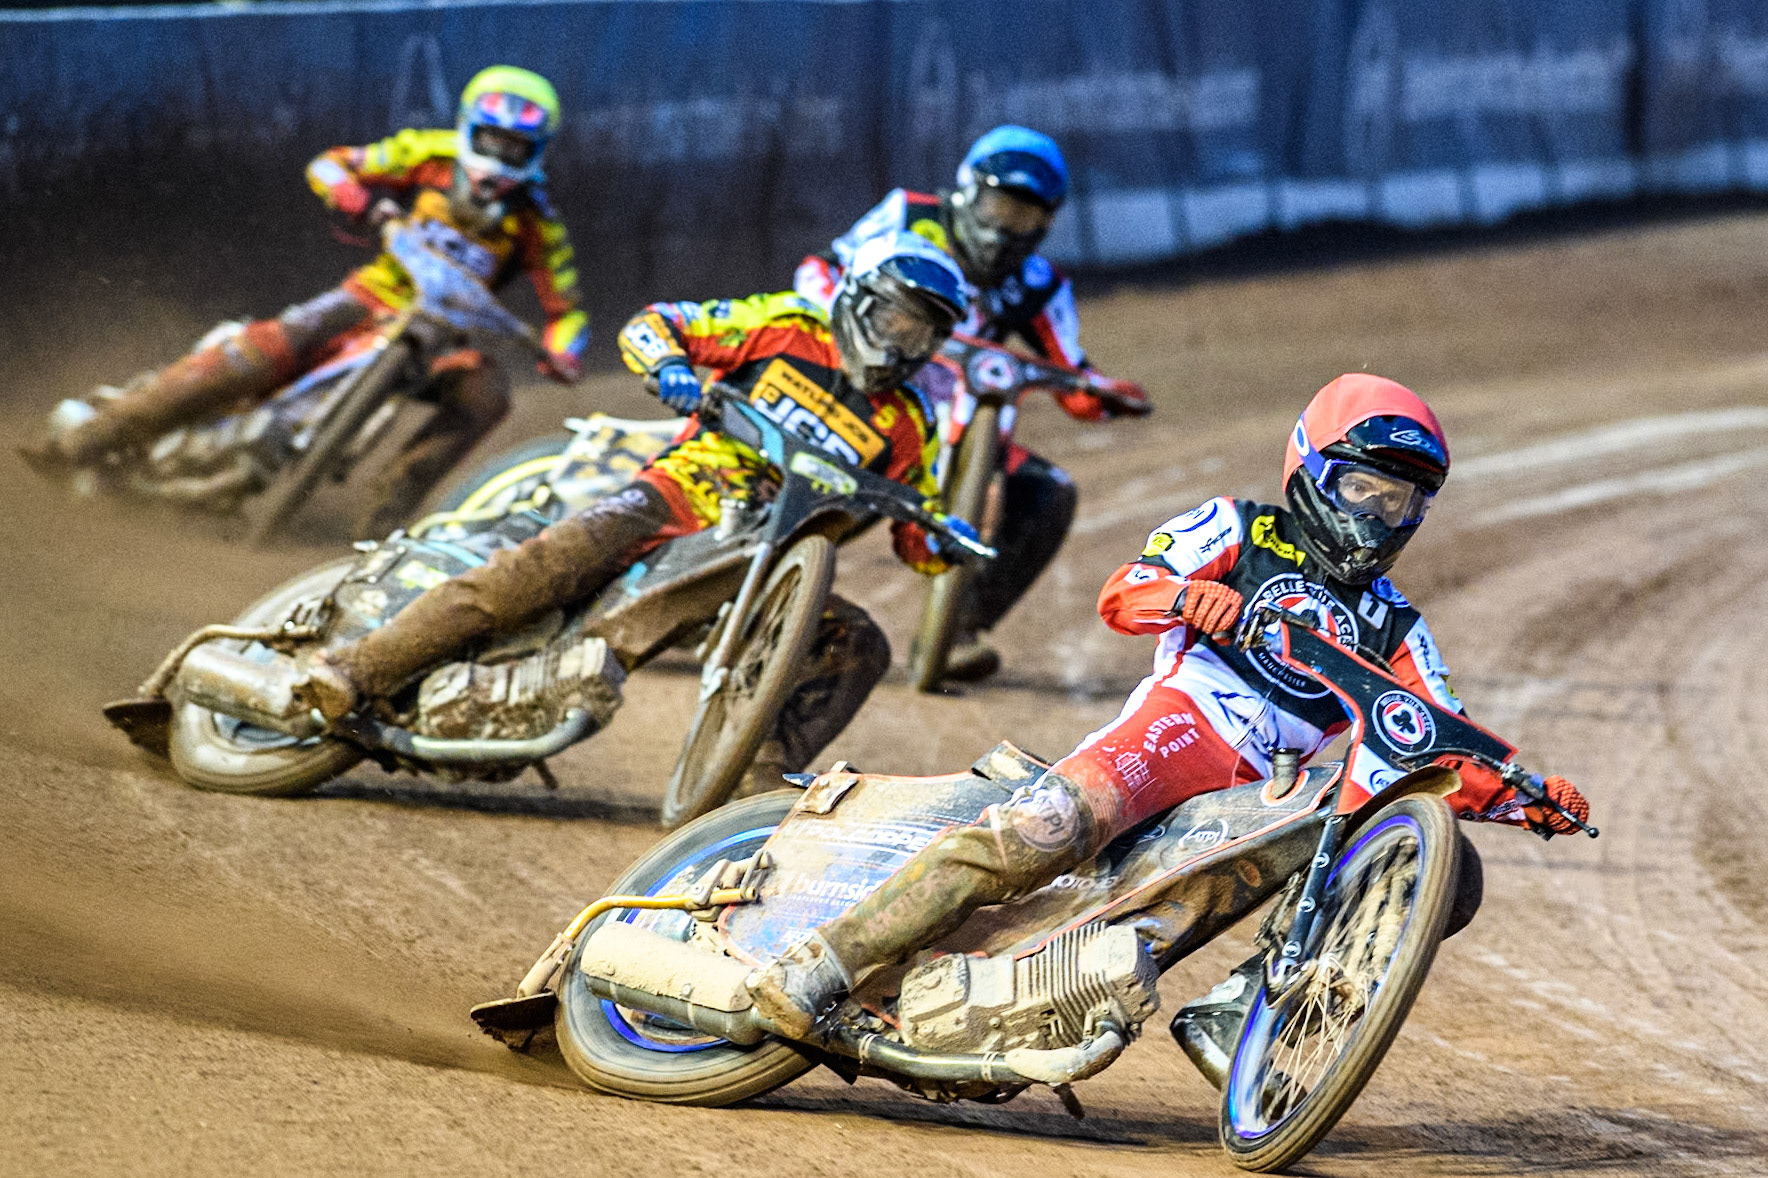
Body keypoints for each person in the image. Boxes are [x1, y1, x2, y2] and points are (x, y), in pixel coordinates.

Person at [745, 372, 1593, 1083]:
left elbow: (1433, 738)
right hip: (1178, 730)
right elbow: (1124, 591)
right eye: (1358, 489)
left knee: (1440, 867)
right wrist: (1190, 597)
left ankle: (1244, 1010)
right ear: (1310, 469)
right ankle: (824, 959)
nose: (1374, 515)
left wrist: (1526, 797)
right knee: (1043, 832)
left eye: (1396, 500)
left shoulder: (1400, 627)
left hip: (1262, 798)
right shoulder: (1238, 527)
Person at [293, 230, 973, 788]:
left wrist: (946, 540)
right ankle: (360, 667)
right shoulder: (784, 327)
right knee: (549, 566)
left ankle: (756, 777)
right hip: (678, 497)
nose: (903, 344)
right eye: (897, 320)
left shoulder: (910, 423)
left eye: (923, 335)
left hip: (772, 569)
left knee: (859, 643)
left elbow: (919, 526)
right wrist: (670, 366)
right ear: (858, 300)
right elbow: (660, 324)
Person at [32, 66, 590, 537]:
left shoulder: (539, 224)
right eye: (491, 140)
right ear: (469, 128)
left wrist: (563, 352)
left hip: (439, 336)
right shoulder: (426, 153)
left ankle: (382, 524)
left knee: (487, 391)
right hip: (368, 297)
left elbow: (567, 311)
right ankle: (89, 439)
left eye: (514, 148)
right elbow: (330, 163)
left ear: (537, 151)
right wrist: (360, 200)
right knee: (271, 345)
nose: (498, 158)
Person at [795, 125, 1152, 682]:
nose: (1005, 229)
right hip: (866, 387)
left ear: (1046, 224)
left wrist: (1106, 396)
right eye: (998, 207)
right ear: (965, 190)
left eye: (1025, 218)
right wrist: (839, 312)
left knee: (1048, 492)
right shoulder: (910, 217)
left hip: (957, 419)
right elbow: (819, 270)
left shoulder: (1040, 284)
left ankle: (957, 628)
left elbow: (1072, 372)